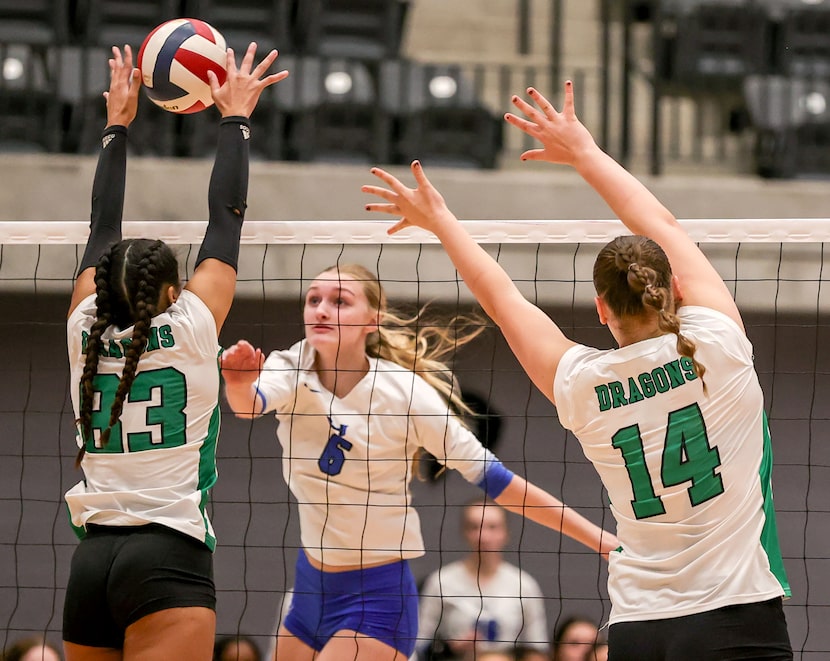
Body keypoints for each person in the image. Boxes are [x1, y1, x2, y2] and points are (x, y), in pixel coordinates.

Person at [362, 82, 793, 660]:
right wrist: (585, 153)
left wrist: (441, 221)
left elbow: (503, 300)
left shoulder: (583, 385)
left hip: (640, 627)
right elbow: (662, 225)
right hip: (736, 616)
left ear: (600, 308)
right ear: (671, 291)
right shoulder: (719, 343)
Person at [221, 263, 619, 661]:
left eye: (340, 301)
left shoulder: (406, 394)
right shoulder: (291, 366)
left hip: (376, 598)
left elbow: (498, 481)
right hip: (311, 586)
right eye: (314, 300)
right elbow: (250, 406)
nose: (322, 310)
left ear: (371, 320)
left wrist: (600, 540)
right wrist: (238, 383)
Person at [62, 43, 287, 661]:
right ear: (171, 290)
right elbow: (227, 217)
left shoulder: (82, 325)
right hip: (168, 555)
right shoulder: (193, 326)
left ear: (101, 284)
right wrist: (235, 117)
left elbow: (100, 228)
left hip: (91, 562)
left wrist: (115, 125)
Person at [416, 498, 549, 661]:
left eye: (492, 527)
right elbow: (419, 643)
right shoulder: (440, 581)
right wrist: (450, 648)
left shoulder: (525, 585)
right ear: (463, 531)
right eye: (475, 527)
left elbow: (537, 649)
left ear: (506, 533)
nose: (483, 535)